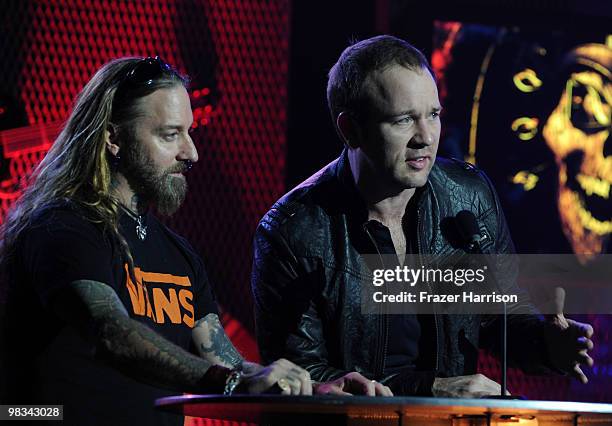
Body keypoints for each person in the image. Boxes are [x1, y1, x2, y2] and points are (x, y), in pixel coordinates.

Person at [0, 57, 387, 426]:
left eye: (189, 133)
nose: (192, 153)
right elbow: (110, 331)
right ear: (112, 137)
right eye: (171, 135)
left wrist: (315, 391)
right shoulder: (63, 227)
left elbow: (229, 364)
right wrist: (232, 383)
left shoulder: (179, 255)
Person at [251, 36, 595, 397]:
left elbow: (498, 316)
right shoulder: (294, 231)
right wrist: (429, 389)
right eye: (404, 120)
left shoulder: (468, 196)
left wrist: (545, 344)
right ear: (350, 129)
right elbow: (299, 375)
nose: (426, 137)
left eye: (433, 115)